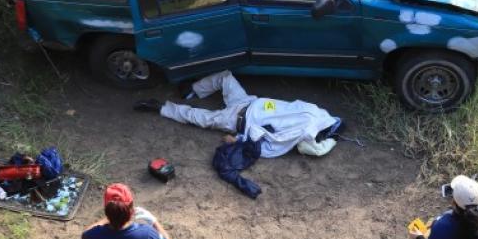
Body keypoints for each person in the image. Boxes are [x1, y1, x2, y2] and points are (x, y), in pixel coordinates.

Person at [134, 70, 342, 158]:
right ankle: (192, 91)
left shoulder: (312, 117)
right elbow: (309, 147)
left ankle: (161, 107)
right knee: (225, 77)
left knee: (200, 117)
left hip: (238, 119)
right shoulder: (312, 117)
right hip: (248, 102)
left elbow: (268, 139)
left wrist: (238, 139)